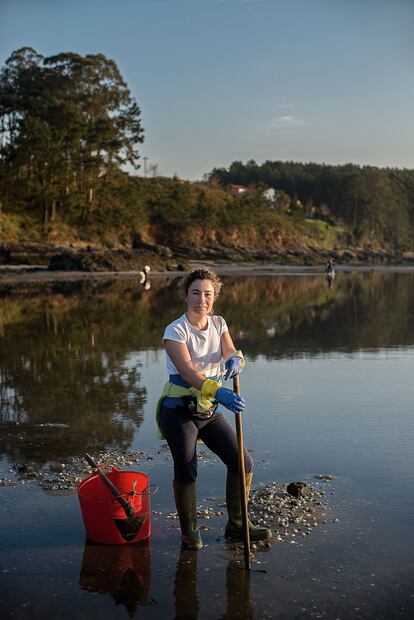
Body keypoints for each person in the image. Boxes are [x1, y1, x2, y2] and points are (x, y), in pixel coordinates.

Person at [157, 268, 271, 550]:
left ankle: (237, 525)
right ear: (186, 296)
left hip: (208, 411)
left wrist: (236, 361)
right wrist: (219, 390)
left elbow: (231, 351)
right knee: (186, 469)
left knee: (242, 462)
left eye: (207, 294)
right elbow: (187, 373)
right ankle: (190, 532)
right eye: (195, 293)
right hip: (179, 411)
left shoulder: (219, 324)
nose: (201, 299)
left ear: (214, 298)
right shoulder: (175, 330)